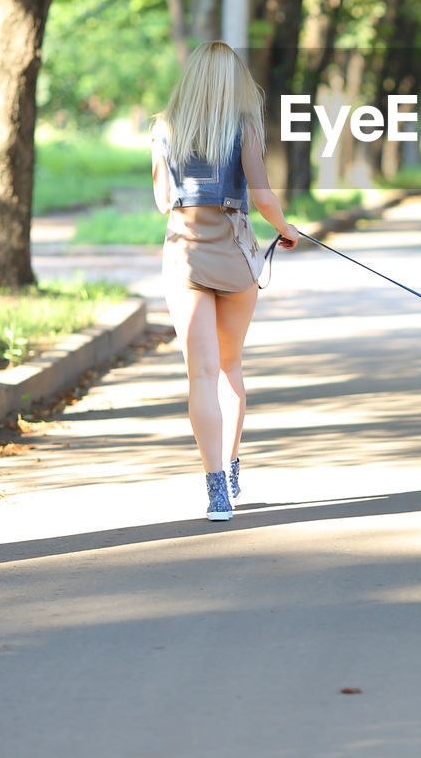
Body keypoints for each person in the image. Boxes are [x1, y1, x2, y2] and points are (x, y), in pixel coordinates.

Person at [151, 41, 299, 522]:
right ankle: (233, 470)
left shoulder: (163, 127)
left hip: (186, 258)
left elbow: (162, 200)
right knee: (231, 369)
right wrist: (286, 231)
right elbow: (262, 195)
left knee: (201, 374)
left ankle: (216, 491)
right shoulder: (245, 126)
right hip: (236, 258)